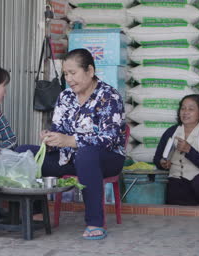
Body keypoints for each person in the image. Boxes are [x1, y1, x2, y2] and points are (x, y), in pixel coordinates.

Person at [16, 48, 126, 240]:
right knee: (24, 152)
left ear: (90, 71)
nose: (69, 79)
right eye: (66, 74)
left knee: (86, 154)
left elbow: (110, 138)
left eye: (73, 73)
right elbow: (58, 129)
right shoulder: (65, 97)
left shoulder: (109, 97)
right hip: (69, 158)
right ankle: (35, 213)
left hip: (106, 158)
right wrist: (50, 138)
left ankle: (95, 222)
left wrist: (71, 141)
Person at [153, 94, 199, 206]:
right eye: (183, 108)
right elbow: (157, 158)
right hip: (177, 181)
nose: (185, 112)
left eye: (191, 109)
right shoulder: (171, 132)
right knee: (176, 192)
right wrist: (162, 163)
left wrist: (189, 150)